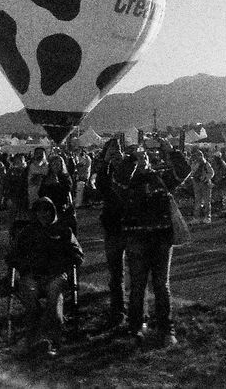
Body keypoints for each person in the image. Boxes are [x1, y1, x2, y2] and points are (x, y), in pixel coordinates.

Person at [120, 146, 191, 347]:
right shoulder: (128, 180)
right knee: (138, 286)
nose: (142, 159)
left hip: (161, 237)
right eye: (138, 156)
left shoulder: (161, 178)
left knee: (161, 285)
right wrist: (129, 160)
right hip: (136, 237)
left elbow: (184, 170)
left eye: (145, 156)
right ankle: (136, 328)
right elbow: (116, 182)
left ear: (151, 160)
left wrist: (172, 151)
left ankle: (166, 329)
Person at [5, 196, 84, 357]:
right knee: (30, 295)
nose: (43, 214)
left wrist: (64, 264)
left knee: (54, 295)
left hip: (56, 275)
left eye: (47, 210)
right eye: (40, 211)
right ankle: (35, 339)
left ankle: (51, 340)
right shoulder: (27, 232)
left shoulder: (63, 231)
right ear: (35, 213)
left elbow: (78, 254)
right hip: (32, 275)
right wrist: (23, 266)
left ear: (52, 211)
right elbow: (12, 255)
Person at [95, 138, 129, 327]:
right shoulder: (105, 172)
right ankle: (118, 312)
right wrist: (106, 163)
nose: (116, 153)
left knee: (137, 275)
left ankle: (137, 313)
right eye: (112, 151)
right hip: (114, 227)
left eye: (118, 150)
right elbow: (101, 187)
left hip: (132, 226)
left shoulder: (129, 168)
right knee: (116, 274)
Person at [189, 148, 214, 224]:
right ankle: (196, 217)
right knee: (198, 201)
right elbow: (191, 172)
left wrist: (206, 178)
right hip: (197, 183)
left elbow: (211, 173)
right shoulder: (195, 163)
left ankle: (207, 217)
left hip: (204, 183)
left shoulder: (206, 164)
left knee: (206, 201)